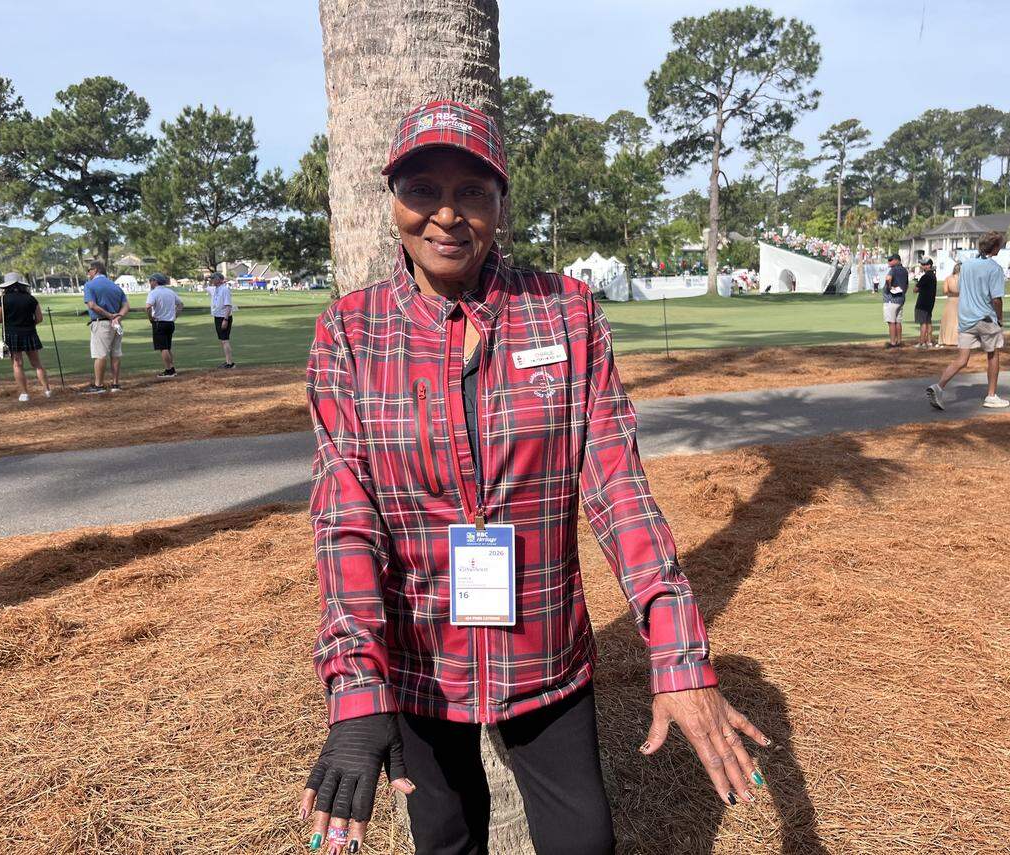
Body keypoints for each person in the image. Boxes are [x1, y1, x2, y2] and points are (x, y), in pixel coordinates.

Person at [297, 100, 771, 855]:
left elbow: (619, 489)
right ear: (392, 201)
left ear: (500, 202)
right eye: (422, 190)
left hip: (544, 650)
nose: (446, 214)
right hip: (421, 662)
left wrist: (678, 652)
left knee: (583, 840)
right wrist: (357, 688)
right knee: (445, 839)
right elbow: (346, 517)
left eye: (472, 191)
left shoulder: (564, 313)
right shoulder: (350, 332)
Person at [925, 232, 1010, 410]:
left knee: (962, 359)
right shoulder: (994, 268)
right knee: (993, 355)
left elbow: (962, 288)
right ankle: (991, 395)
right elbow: (996, 299)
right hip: (986, 318)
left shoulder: (966, 265)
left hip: (966, 318)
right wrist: (1000, 319)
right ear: (995, 247)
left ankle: (939, 386)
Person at [0, 271, 51, 401]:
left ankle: (24, 393)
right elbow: (39, 318)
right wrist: (28, 323)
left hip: (11, 334)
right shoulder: (30, 298)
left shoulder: (2, 299)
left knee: (17, 364)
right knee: (37, 364)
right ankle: (47, 390)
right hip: (30, 333)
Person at [82, 261, 128, 394]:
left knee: (100, 355)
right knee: (116, 354)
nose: (88, 273)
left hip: (101, 323)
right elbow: (126, 306)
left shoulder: (89, 285)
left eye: (89, 270)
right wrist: (118, 317)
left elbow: (91, 305)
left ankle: (99, 385)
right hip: (116, 324)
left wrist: (109, 316)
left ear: (95, 270)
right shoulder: (115, 286)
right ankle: (115, 384)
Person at [145, 272, 183, 377]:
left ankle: (168, 370)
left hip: (159, 322)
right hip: (170, 323)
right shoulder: (170, 292)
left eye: (151, 281)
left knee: (163, 348)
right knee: (167, 347)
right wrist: (175, 316)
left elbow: (148, 307)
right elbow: (180, 304)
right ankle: (172, 368)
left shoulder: (153, 293)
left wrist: (150, 318)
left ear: (155, 281)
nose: (150, 283)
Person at [207, 272, 235, 368]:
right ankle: (228, 361)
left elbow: (228, 306)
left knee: (225, 340)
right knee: (223, 340)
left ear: (218, 279)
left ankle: (230, 363)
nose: (212, 280)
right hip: (217, 317)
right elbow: (206, 287)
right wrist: (206, 279)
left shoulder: (225, 290)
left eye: (213, 278)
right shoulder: (215, 289)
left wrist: (225, 319)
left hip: (223, 317)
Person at [882, 253, 908, 348]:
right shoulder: (904, 270)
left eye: (891, 260)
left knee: (891, 322)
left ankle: (893, 342)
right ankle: (899, 341)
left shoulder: (893, 270)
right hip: (900, 299)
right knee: (898, 321)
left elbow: (888, 278)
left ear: (897, 260)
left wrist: (889, 287)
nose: (889, 262)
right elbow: (906, 285)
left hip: (891, 299)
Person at [913, 258, 938, 348]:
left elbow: (915, 289)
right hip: (930, 302)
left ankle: (922, 342)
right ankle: (929, 341)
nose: (922, 266)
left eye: (924, 265)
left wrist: (917, 283)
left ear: (929, 265)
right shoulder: (933, 275)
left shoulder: (925, 276)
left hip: (922, 302)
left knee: (923, 323)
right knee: (928, 322)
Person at [937, 262, 961, 347]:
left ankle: (947, 339)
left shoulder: (948, 278)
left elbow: (945, 291)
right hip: (961, 300)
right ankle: (958, 339)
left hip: (951, 300)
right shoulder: (965, 279)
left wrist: (952, 293)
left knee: (948, 320)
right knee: (959, 320)